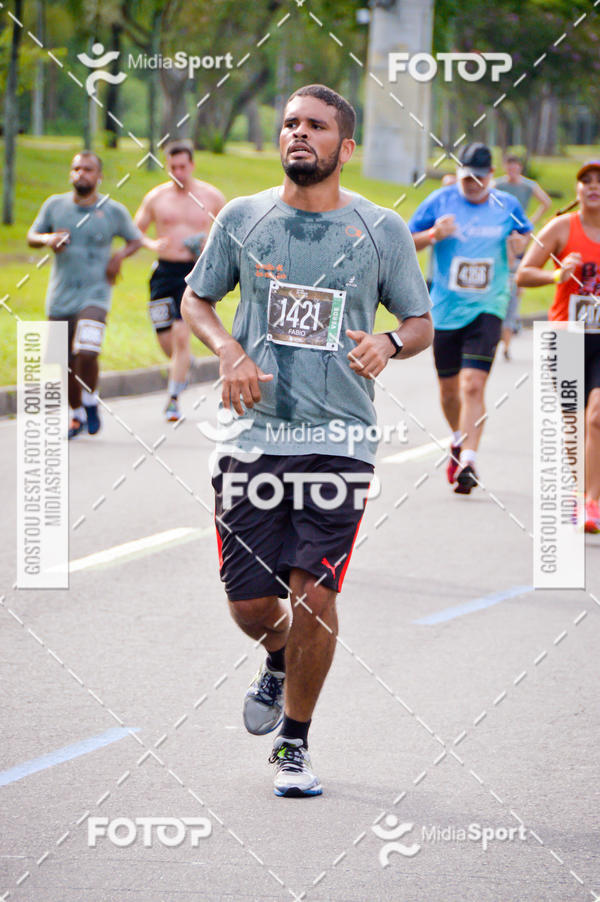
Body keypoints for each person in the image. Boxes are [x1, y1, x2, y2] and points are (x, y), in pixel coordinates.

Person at [181, 84, 432, 797]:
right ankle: (278, 655)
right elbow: (196, 299)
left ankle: (294, 743)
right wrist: (228, 349)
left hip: (339, 439)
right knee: (252, 606)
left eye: (316, 126)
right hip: (252, 436)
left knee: (315, 595)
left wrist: (389, 340)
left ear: (344, 147)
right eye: (290, 123)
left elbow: (419, 323)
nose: (299, 134)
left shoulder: (381, 230)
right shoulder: (242, 219)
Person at [408, 143, 532, 493]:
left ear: (491, 176)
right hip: (446, 309)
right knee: (449, 391)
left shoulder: (507, 205)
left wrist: (520, 244)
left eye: (478, 178)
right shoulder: (440, 201)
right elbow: (403, 240)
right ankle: (458, 441)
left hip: (488, 307)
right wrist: (433, 235)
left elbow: (527, 238)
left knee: (472, 385)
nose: (471, 184)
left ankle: (469, 461)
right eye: (466, 178)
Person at [27, 151, 141, 438]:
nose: (81, 174)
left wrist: (118, 257)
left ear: (99, 176)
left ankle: (90, 400)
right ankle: (76, 414)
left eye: (88, 169)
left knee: (87, 352)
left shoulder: (112, 210)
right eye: (76, 168)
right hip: (61, 295)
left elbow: (135, 239)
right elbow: (32, 236)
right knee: (61, 360)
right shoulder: (55, 206)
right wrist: (47, 239)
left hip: (96, 294)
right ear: (70, 173)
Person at [516, 160, 600, 533]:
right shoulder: (562, 228)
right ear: (578, 189)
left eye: (599, 181)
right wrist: (556, 273)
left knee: (596, 417)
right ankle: (580, 488)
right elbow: (524, 273)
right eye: (586, 181)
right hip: (566, 338)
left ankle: (591, 502)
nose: (593, 186)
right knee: (572, 423)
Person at [134, 140, 225, 421]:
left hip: (193, 273)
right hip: (163, 273)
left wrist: (208, 244)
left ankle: (173, 399)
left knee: (182, 335)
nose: (178, 172)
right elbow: (135, 231)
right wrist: (152, 244)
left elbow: (226, 233)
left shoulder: (211, 197)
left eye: (182, 167)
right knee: (165, 339)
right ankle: (183, 367)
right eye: (172, 167)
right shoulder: (156, 198)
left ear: (192, 165)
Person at [495, 156, 551, 359]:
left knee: (518, 277)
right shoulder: (498, 184)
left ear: (519, 168)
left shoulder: (528, 186)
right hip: (502, 234)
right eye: (509, 166)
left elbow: (546, 202)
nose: (512, 170)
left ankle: (513, 315)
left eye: (515, 166)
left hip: (521, 233)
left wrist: (531, 220)